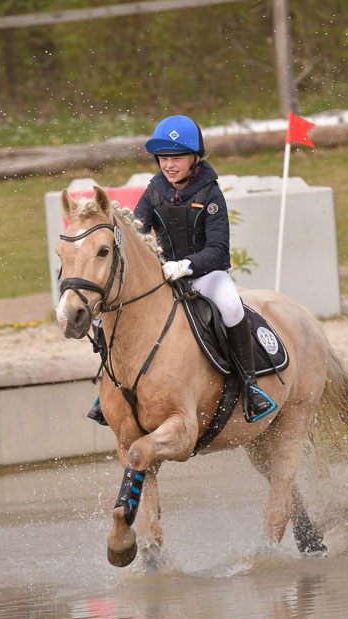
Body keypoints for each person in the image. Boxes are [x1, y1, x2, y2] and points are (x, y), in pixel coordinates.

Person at [88, 114, 277, 424]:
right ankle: (110, 390)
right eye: (163, 157)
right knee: (107, 316)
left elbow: (217, 251)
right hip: (164, 278)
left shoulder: (211, 193)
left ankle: (250, 385)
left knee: (231, 307)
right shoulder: (154, 190)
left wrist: (187, 265)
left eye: (177, 157)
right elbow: (136, 232)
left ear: (194, 157)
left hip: (206, 276)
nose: (169, 164)